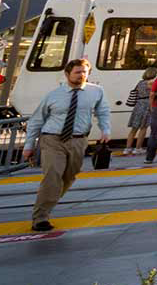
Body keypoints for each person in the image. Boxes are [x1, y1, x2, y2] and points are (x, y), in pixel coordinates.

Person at [23, 58, 111, 231]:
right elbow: (36, 120)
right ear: (67, 74)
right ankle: (41, 217)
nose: (81, 75)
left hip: (78, 140)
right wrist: (28, 145)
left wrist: (105, 129)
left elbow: (103, 111)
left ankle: (49, 202)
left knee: (69, 176)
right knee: (53, 175)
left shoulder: (96, 92)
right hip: (52, 139)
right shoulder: (54, 95)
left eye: (84, 72)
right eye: (77, 72)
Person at [124, 66, 157, 156]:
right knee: (143, 128)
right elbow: (154, 94)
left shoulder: (140, 82)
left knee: (134, 129)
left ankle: (127, 148)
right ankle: (138, 148)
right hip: (146, 105)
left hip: (138, 105)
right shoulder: (151, 83)